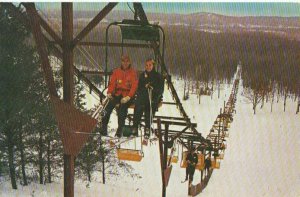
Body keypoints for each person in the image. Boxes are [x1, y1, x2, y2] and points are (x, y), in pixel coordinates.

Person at [101, 55, 138, 137]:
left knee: (122, 110)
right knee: (107, 107)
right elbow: (112, 83)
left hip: (127, 95)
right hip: (117, 94)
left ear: (129, 62)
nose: (125, 63)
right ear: (121, 62)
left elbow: (134, 87)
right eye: (123, 61)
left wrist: (128, 97)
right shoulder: (116, 72)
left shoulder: (133, 73)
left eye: (127, 61)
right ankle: (104, 127)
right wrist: (110, 92)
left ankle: (120, 129)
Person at [132, 58, 164, 138]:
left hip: (153, 97)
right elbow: (139, 88)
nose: (148, 67)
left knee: (149, 108)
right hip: (143, 96)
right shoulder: (143, 76)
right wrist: (144, 88)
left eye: (150, 65)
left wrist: (153, 89)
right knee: (138, 106)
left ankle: (147, 127)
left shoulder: (158, 76)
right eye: (146, 65)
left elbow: (160, 90)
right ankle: (135, 126)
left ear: (153, 66)